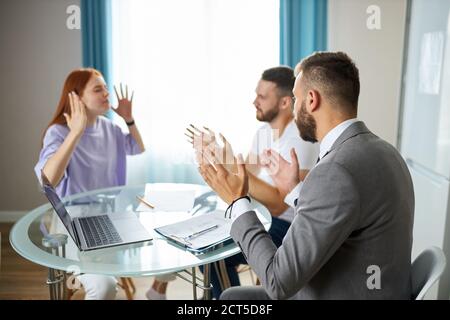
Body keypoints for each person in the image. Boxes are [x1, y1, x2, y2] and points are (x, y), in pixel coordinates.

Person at [198, 51, 414, 299]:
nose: (294, 106)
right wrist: (294, 190)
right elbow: (343, 213)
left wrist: (238, 202)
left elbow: (277, 283)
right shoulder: (385, 151)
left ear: (311, 100)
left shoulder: (337, 169)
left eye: (296, 98)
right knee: (233, 296)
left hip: (338, 291)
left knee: (231, 298)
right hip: (370, 287)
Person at [147, 67, 319, 299]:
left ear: (285, 102)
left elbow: (280, 204)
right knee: (201, 238)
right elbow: (244, 177)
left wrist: (228, 164)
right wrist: (216, 153)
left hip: (287, 226)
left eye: (262, 97)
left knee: (216, 255)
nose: (254, 101)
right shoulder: (264, 133)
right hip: (261, 216)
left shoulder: (300, 139)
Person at [34, 68, 145, 300]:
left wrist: (129, 119)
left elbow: (137, 148)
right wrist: (75, 133)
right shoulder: (58, 132)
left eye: (105, 87)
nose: (106, 93)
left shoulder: (111, 128)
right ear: (76, 97)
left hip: (111, 215)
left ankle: (156, 291)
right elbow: (48, 180)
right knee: (103, 287)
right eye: (98, 89)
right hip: (73, 219)